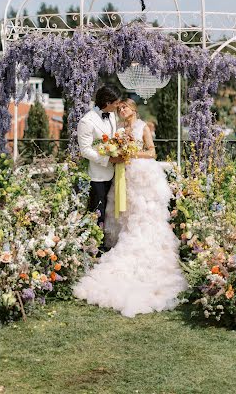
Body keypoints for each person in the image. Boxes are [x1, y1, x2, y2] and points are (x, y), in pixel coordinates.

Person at [73, 98, 187, 318]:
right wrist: (117, 152)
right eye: (119, 108)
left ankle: (146, 247)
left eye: (124, 107)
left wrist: (130, 153)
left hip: (141, 174)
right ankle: (120, 243)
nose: (121, 110)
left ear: (133, 109)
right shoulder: (119, 128)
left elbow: (152, 152)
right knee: (126, 213)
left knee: (143, 214)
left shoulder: (143, 127)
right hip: (124, 176)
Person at [77, 84, 122, 243]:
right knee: (98, 211)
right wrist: (108, 159)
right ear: (107, 102)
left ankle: (107, 240)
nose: (118, 106)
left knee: (111, 210)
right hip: (97, 174)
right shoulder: (86, 121)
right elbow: (85, 151)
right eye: (116, 103)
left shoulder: (111, 116)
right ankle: (95, 245)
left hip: (114, 172)